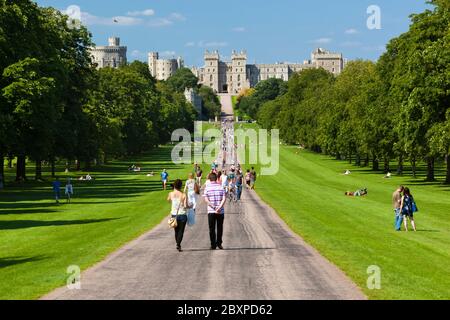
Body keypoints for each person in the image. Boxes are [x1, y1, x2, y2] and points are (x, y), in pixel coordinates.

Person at [203, 172, 226, 250]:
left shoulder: (207, 188)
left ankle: (213, 244)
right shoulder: (221, 187)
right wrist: (219, 207)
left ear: (209, 179)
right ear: (216, 179)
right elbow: (224, 199)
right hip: (220, 211)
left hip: (211, 211)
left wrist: (213, 207)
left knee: (212, 228)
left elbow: (206, 200)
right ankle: (219, 243)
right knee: (220, 228)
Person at [167, 179, 188, 252]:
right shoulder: (183, 194)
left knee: (176, 231)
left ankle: (177, 243)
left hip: (174, 214)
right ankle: (178, 244)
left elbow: (168, 200)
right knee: (181, 231)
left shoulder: (171, 193)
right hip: (182, 214)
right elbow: (185, 206)